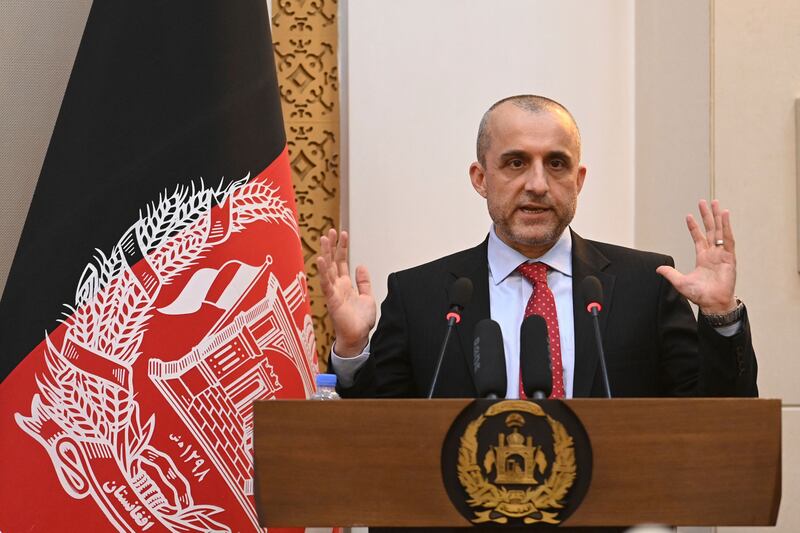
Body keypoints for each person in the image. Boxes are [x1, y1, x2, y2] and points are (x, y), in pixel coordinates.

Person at [316, 95, 757, 398]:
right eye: (515, 162)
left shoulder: (646, 285)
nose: (538, 185)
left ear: (578, 180)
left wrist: (721, 315)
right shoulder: (421, 296)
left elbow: (715, 421)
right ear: (480, 178)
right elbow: (375, 439)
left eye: (557, 164)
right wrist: (353, 349)